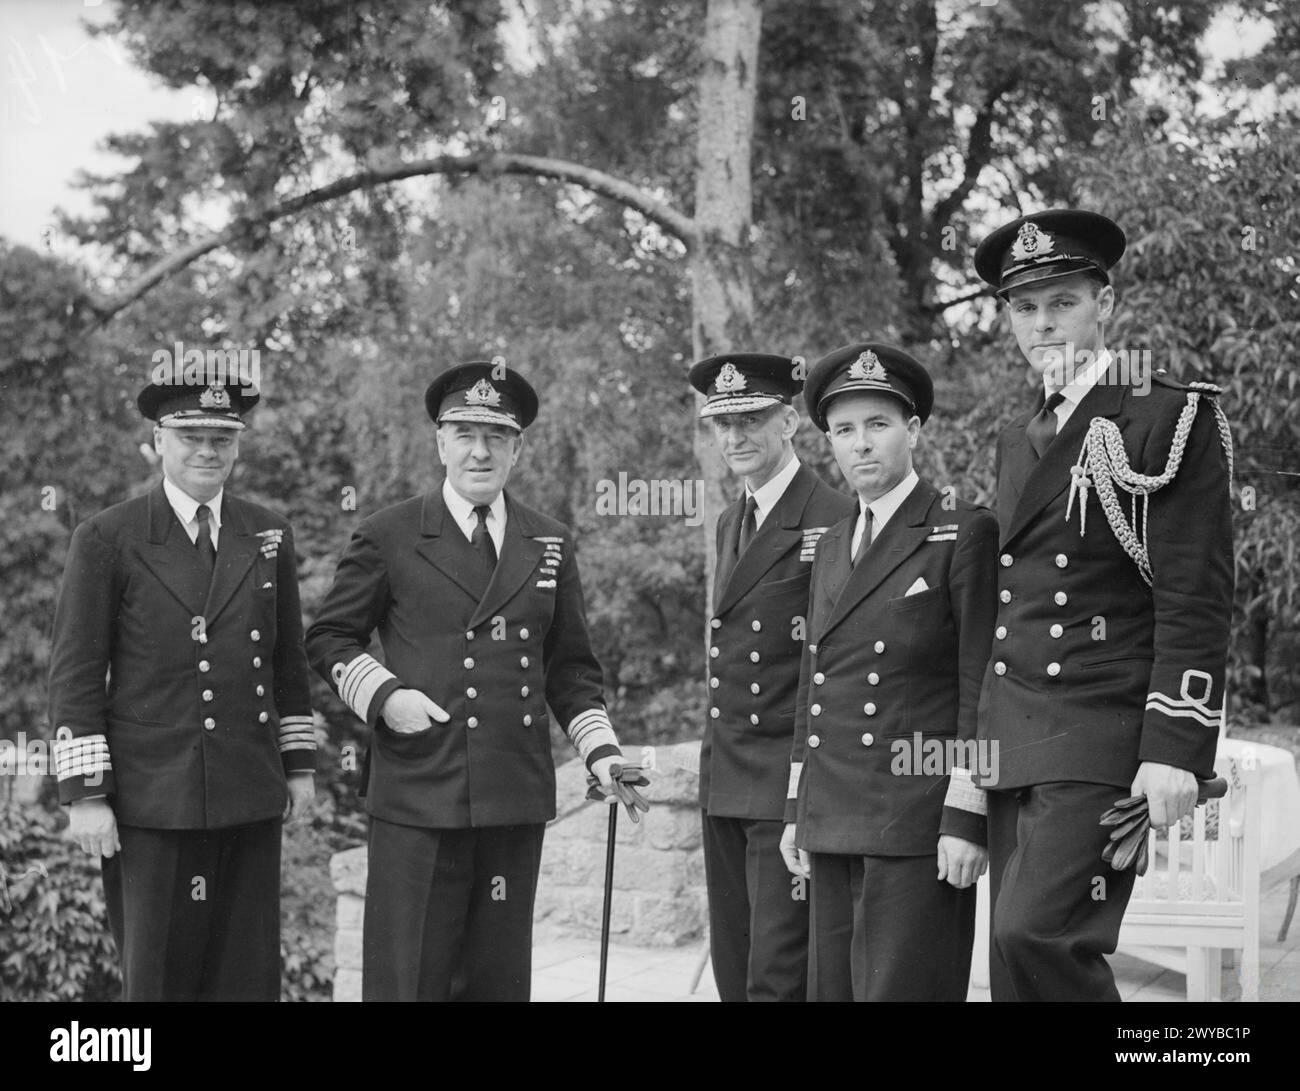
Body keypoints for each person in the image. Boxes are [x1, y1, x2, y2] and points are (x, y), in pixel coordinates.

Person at [306, 361, 643, 1002]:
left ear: (517, 447)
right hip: (419, 794)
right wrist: (385, 697)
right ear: (440, 442)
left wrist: (602, 755)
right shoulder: (390, 534)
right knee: (412, 983)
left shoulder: (549, 541)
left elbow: (570, 670)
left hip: (511, 797)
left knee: (496, 983)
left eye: (496, 437)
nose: (479, 451)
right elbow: (328, 638)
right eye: (463, 433)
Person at [971, 208, 1234, 1001]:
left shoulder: (1167, 414)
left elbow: (1196, 596)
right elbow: (1005, 611)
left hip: (1103, 727)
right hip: (1017, 735)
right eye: (1025, 306)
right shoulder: (1019, 438)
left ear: (1105, 303)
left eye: (1063, 301)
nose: (1043, 323)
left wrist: (1176, 745)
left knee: (1039, 935)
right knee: (1014, 965)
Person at [48, 374, 316, 1001]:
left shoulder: (268, 533)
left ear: (238, 446)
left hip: (248, 791)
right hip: (152, 800)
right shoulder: (108, 537)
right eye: (190, 435)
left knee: (246, 977)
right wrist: (86, 795)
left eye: (221, 438)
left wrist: (298, 766)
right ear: (158, 441)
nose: (207, 450)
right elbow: (76, 670)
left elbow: (287, 662)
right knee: (159, 977)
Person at [779, 342, 998, 1001]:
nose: (860, 445)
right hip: (834, 816)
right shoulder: (832, 544)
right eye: (843, 430)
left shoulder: (961, 529)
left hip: (916, 821)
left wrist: (968, 813)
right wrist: (796, 807)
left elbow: (980, 681)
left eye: (878, 424)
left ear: (915, 431)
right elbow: (812, 689)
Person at [687, 353, 854, 1002]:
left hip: (786, 781)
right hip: (725, 777)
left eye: (751, 419)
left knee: (778, 979)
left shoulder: (835, 516)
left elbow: (837, 668)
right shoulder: (734, 517)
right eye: (722, 424)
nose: (734, 437)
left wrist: (800, 792)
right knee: (737, 972)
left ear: (789, 421)